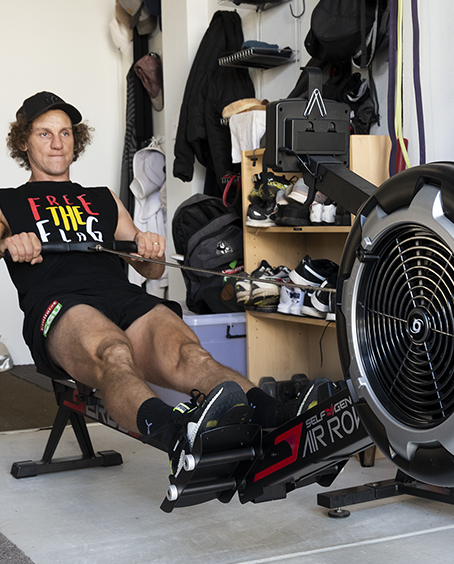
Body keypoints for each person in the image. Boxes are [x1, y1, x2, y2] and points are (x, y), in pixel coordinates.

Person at [0, 92, 325, 476]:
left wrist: (149, 250)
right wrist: (10, 242)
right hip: (61, 304)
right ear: (23, 142)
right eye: (44, 133)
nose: (57, 143)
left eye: (65, 133)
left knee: (191, 355)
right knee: (113, 352)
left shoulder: (102, 199)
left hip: (123, 298)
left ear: (76, 139)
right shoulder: (8, 202)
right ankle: (177, 437)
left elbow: (151, 272)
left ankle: (282, 420)